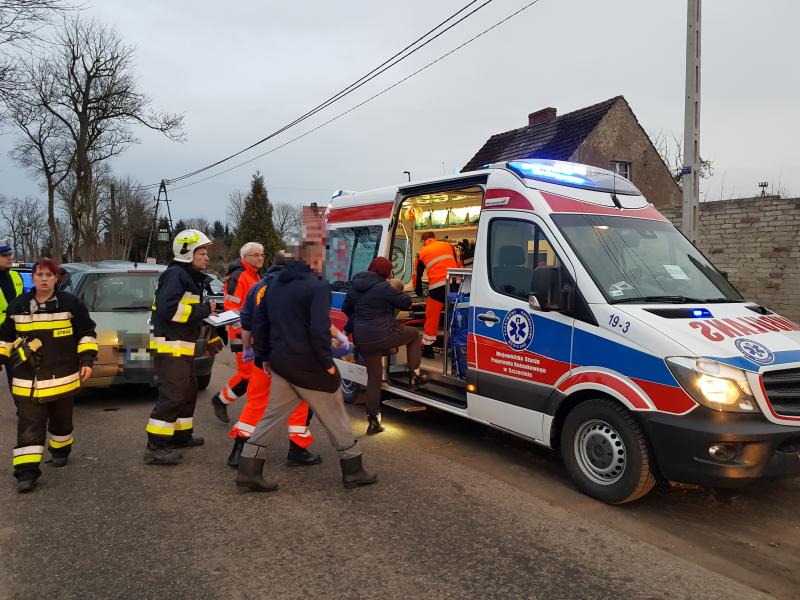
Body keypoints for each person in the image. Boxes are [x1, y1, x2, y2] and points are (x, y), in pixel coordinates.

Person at [236, 258, 377, 492]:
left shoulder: (274, 285)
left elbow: (260, 322)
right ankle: (353, 469)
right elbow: (318, 327)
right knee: (336, 415)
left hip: (281, 362)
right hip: (309, 365)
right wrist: (327, 363)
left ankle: (248, 469)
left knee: (272, 416)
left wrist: (264, 357)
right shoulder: (317, 286)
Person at [0, 258, 98, 493]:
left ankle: (60, 451)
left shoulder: (71, 304)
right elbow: (4, 338)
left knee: (61, 422)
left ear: (56, 278)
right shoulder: (18, 306)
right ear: (33, 278)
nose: (44, 279)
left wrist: (86, 360)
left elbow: (86, 333)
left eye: (49, 275)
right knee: (29, 425)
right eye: (39, 275)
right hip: (28, 381)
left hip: (62, 378)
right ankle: (26, 473)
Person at [225, 250, 321, 469]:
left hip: (262, 355)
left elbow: (246, 323)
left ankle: (239, 451)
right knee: (300, 402)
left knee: (257, 402)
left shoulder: (257, 287)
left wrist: (249, 349)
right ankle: (297, 450)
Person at [144, 229, 216, 465]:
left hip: (181, 345)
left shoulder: (187, 276)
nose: (206, 257)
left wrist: (206, 315)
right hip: (170, 346)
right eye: (202, 253)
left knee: (187, 390)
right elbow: (169, 310)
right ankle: (155, 447)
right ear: (187, 253)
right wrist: (204, 310)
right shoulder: (176, 275)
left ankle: (180, 436)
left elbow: (183, 311)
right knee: (173, 394)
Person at [343, 257, 428, 435]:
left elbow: (346, 309)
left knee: (374, 379)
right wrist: (397, 288)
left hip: (363, 339)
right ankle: (415, 375)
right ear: (386, 272)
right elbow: (406, 302)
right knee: (413, 334)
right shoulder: (384, 287)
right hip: (384, 334)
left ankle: (373, 421)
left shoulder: (355, 285)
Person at [210, 242, 264, 422]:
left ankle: (249, 409)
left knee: (256, 374)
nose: (260, 258)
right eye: (256, 255)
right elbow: (231, 308)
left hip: (252, 333)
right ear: (245, 257)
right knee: (248, 375)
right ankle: (221, 400)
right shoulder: (239, 276)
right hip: (241, 334)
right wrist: (243, 334)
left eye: (262, 254)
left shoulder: (255, 275)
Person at [413, 232, 460, 359]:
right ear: (434, 238)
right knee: (456, 316)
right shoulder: (448, 246)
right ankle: (457, 350)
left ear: (424, 241)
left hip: (437, 288)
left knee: (432, 318)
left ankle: (428, 350)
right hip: (454, 284)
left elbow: (417, 275)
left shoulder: (422, 252)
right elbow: (458, 264)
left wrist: (418, 291)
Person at [0, 241, 23, 390]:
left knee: (16, 373)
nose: (9, 258)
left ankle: (19, 401)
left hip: (16, 331)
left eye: (9, 254)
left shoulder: (16, 276)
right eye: (4, 255)